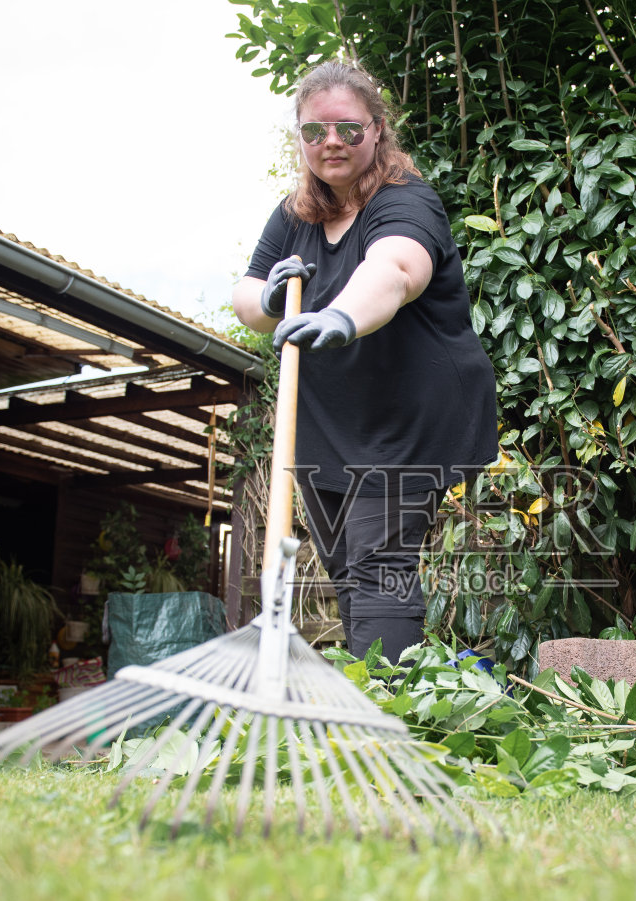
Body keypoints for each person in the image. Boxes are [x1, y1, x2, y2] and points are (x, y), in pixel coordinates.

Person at [233, 60, 498, 662]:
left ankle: (384, 719)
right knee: (349, 567)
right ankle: (389, 695)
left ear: (377, 130)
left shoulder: (405, 201)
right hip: (329, 422)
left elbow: (396, 269)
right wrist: (269, 299)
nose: (331, 142)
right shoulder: (293, 216)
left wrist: (343, 315)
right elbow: (246, 296)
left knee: (380, 561)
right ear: (299, 137)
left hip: (408, 418)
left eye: (348, 129)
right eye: (314, 132)